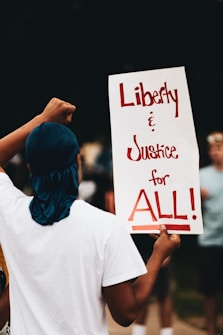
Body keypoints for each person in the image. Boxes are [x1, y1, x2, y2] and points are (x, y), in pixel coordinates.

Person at [0, 97, 180, 334]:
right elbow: (125, 312)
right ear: (77, 163)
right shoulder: (106, 226)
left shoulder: (11, 214)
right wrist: (159, 254)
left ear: (30, 168)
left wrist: (42, 119)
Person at [197, 130, 223, 335]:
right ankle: (211, 329)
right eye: (213, 149)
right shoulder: (202, 176)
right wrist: (199, 198)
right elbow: (191, 209)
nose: (216, 152)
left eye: (220, 147)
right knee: (209, 290)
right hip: (209, 240)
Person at [131, 234, 174, 335]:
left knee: (163, 294)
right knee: (140, 292)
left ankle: (167, 332)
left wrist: (168, 251)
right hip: (137, 245)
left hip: (160, 240)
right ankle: (138, 332)